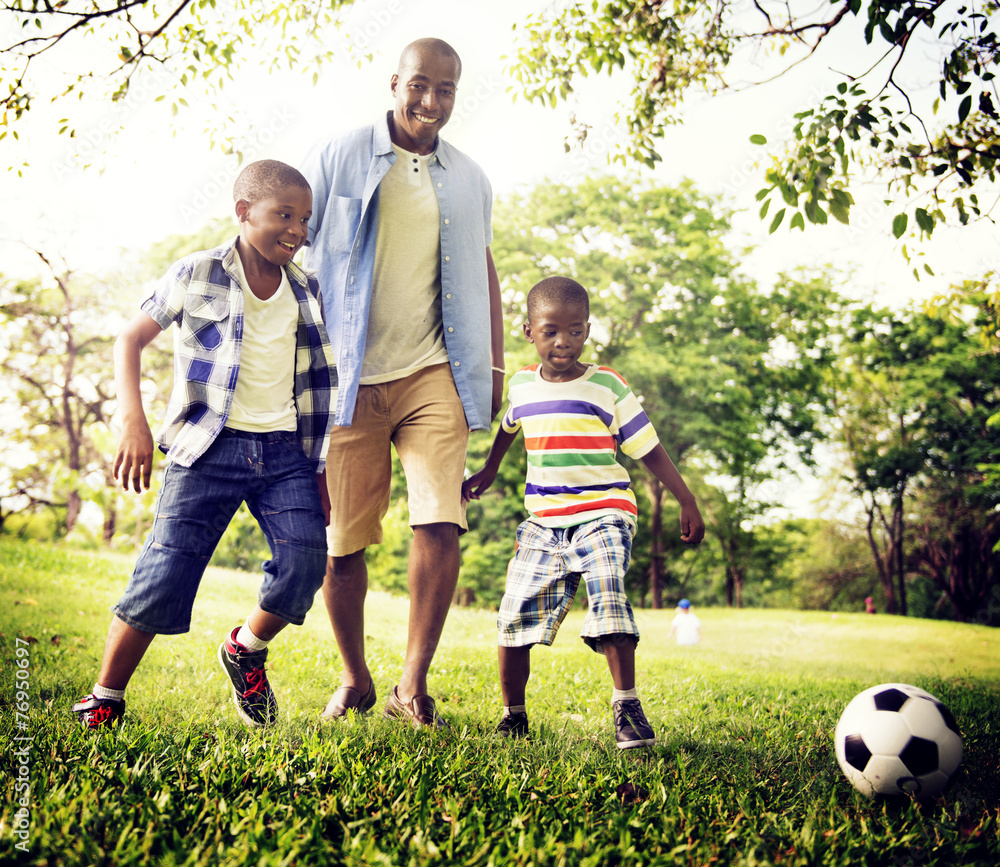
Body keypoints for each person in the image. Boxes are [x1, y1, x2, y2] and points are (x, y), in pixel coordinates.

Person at [72, 160, 336, 730]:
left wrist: (318, 469)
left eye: (304, 219)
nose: (296, 229)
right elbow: (130, 338)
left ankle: (244, 646)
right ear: (244, 213)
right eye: (283, 215)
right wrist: (133, 422)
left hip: (286, 453)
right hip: (208, 447)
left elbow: (314, 383)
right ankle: (105, 697)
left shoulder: (305, 287)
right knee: (165, 571)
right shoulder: (197, 272)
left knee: (305, 562)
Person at [300, 37, 504, 730]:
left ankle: (411, 685)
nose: (431, 100)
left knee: (440, 517)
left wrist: (495, 367)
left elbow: (484, 271)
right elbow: (292, 247)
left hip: (433, 371)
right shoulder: (339, 156)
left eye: (445, 89)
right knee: (342, 542)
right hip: (347, 376)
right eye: (420, 85)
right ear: (394, 83)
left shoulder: (471, 177)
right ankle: (357, 678)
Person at [462, 277, 705, 748]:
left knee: (608, 591)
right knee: (512, 618)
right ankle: (514, 715)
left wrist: (686, 498)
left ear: (587, 330)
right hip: (543, 520)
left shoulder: (606, 384)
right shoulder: (521, 385)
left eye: (575, 331)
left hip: (605, 510)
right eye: (551, 330)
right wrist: (490, 469)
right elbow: (510, 427)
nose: (563, 342)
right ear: (529, 330)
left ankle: (627, 706)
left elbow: (648, 448)